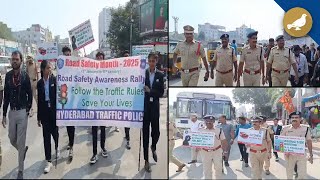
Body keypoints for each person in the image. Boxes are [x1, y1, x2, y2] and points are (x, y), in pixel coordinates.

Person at [2, 50, 32, 179]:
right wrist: (3, 114)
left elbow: (30, 94)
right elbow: (6, 97)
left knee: (20, 141)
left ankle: (20, 171)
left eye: (16, 59)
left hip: (22, 112)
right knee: (11, 138)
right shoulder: (8, 76)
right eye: (13, 59)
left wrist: (29, 109)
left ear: (21, 61)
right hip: (12, 113)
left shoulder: (25, 76)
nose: (14, 61)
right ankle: (22, 150)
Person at [143, 52, 164, 172]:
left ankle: (153, 146)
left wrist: (150, 91)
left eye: (153, 61)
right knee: (145, 134)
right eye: (150, 61)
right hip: (145, 108)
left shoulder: (160, 75)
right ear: (148, 61)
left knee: (156, 132)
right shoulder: (143, 74)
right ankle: (146, 161)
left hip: (155, 107)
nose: (151, 63)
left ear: (156, 61)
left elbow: (161, 93)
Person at [37, 60, 59, 173]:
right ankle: (48, 160)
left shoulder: (54, 80)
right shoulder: (40, 83)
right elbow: (40, 101)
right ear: (43, 69)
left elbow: (59, 97)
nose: (49, 70)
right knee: (46, 137)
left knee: (55, 133)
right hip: (45, 112)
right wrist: (38, 117)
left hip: (53, 111)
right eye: (48, 68)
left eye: (50, 68)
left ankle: (57, 147)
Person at [280, 111, 313, 179]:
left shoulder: (306, 128)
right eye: (292, 117)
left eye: (296, 117)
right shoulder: (285, 129)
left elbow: (309, 141)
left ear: (300, 119)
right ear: (290, 119)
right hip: (289, 155)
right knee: (289, 173)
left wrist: (311, 154)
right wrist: (284, 151)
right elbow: (280, 141)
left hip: (301, 154)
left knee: (302, 174)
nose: (294, 119)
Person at [90, 52, 108, 164]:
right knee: (94, 129)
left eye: (101, 58)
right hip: (93, 105)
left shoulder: (107, 73)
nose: (100, 59)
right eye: (98, 58)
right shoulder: (91, 72)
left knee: (103, 128)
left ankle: (103, 147)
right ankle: (94, 153)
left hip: (104, 104)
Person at [62, 46, 75, 159]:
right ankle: (70, 142)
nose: (68, 57)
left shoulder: (75, 68)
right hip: (64, 100)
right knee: (67, 123)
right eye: (66, 55)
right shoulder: (60, 68)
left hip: (73, 100)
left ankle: (71, 145)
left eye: (69, 55)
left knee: (72, 123)